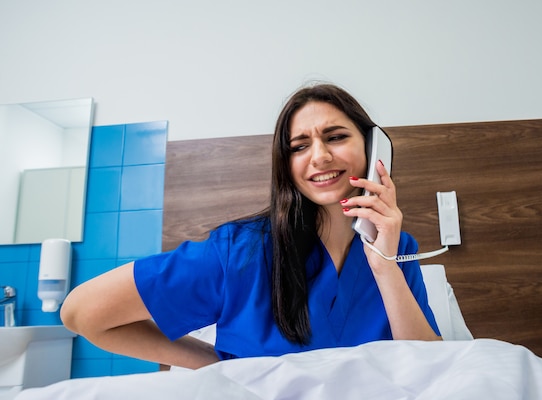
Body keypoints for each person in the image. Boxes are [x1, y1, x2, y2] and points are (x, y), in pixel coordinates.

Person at [61, 83, 441, 370]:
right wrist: (215, 367)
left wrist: (383, 264)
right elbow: (81, 313)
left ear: (375, 149)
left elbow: (430, 366)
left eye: (336, 137)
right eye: (299, 146)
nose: (320, 157)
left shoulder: (397, 248)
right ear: (285, 165)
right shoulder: (237, 253)